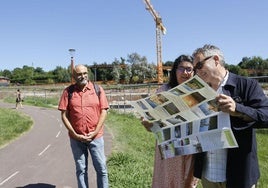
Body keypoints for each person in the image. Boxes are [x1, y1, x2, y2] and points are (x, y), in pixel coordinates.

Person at [192, 44, 268, 188]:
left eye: (199, 66)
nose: (196, 72)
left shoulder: (247, 85)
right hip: (208, 174)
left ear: (215, 60)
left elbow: (266, 115)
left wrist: (237, 109)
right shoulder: (198, 92)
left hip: (238, 174)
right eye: (195, 69)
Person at [141, 55, 199, 188]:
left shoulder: (197, 91)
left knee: (187, 182)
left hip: (190, 146)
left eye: (189, 69)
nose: (185, 73)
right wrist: (147, 123)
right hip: (169, 147)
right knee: (167, 181)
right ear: (175, 71)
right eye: (181, 69)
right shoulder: (163, 91)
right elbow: (150, 121)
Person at [58, 64, 109, 188]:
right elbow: (64, 115)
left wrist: (95, 131)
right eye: (79, 74)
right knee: (81, 169)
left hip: (96, 137)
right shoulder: (68, 92)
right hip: (76, 140)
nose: (83, 76)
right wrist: (75, 134)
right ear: (74, 76)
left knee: (101, 169)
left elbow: (104, 111)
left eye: (85, 73)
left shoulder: (98, 89)